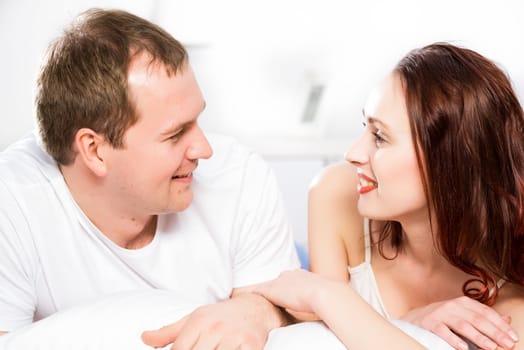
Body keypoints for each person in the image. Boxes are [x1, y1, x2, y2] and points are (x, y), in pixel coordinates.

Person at [0, 8, 300, 349]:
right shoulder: (11, 203)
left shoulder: (241, 177)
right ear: (94, 150)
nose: (204, 149)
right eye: (175, 135)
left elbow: (286, 313)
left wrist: (254, 309)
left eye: (198, 121)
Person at [255, 42, 524, 350]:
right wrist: (412, 321)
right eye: (365, 128)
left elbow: (333, 311)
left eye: (379, 137)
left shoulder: (512, 308)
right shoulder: (335, 193)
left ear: (447, 164)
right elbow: (323, 339)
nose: (352, 154)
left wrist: (326, 294)